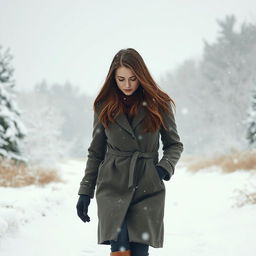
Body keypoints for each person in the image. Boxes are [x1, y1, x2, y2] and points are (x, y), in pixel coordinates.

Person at [76, 48, 184, 256]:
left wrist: (162, 169)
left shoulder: (159, 104)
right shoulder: (104, 106)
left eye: (133, 79)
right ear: (113, 79)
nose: (127, 85)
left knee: (139, 250)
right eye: (121, 79)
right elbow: (96, 152)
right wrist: (85, 191)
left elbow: (174, 145)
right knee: (120, 246)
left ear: (141, 76)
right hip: (112, 184)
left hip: (147, 185)